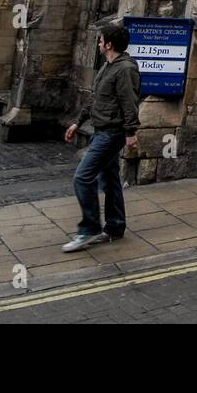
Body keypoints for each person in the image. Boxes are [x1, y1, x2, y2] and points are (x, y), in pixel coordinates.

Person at [62, 25, 142, 253]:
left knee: (82, 177)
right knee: (110, 180)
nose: (98, 43)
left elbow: (129, 102)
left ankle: (89, 229)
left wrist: (130, 133)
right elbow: (96, 98)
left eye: (100, 40)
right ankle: (115, 226)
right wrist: (78, 121)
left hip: (112, 133)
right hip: (101, 129)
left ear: (109, 44)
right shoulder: (108, 67)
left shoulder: (125, 69)